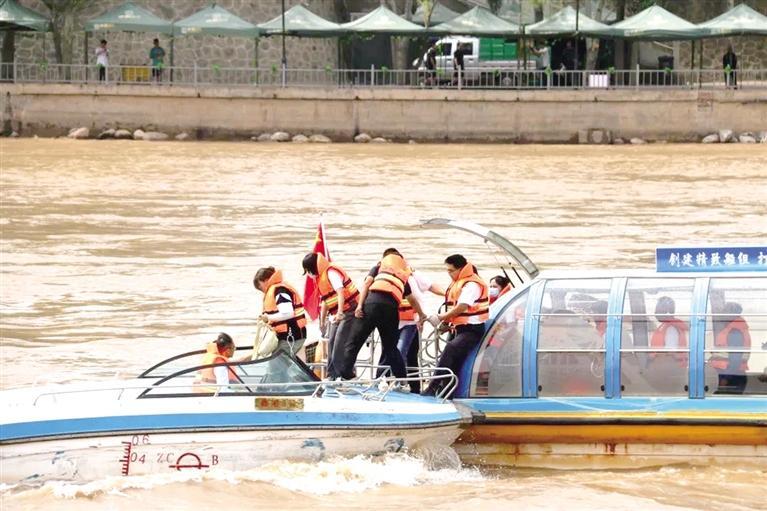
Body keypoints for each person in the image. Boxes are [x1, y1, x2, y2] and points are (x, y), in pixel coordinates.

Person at [355, 248, 442, 392]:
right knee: (392, 352)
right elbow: (367, 288)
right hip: (391, 319)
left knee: (402, 352)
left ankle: (408, 387)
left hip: (410, 321)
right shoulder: (378, 272)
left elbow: (430, 287)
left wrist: (446, 295)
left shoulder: (410, 273)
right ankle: (384, 382)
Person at [337, 249, 425, 381]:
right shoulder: (402, 276)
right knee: (391, 348)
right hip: (390, 309)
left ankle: (346, 375)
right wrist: (422, 315)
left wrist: (360, 305)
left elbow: (367, 284)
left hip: (371, 305)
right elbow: (412, 300)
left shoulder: (378, 268)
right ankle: (402, 380)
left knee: (354, 342)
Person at [422, 254, 489, 396]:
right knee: (452, 360)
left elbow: (462, 307)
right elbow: (453, 307)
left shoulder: (471, 284)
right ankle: (446, 393)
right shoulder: (459, 282)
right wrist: (446, 323)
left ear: (461, 269)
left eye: (451, 271)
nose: (449, 274)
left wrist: (440, 317)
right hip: (458, 328)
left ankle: (432, 387)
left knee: (450, 349)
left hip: (472, 330)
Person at [302, 252, 359, 376]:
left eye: (307, 271)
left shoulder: (330, 273)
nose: (308, 274)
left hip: (349, 311)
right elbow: (326, 301)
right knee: (331, 343)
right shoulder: (320, 278)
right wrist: (322, 322)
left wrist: (339, 312)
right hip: (338, 314)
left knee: (339, 344)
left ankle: (341, 376)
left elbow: (340, 293)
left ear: (312, 268)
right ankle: (331, 375)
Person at [253, 266, 307, 358]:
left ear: (266, 280)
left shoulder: (280, 291)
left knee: (275, 368)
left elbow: (288, 313)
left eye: (260, 286)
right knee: (283, 365)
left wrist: (268, 317)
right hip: (285, 336)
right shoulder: (276, 290)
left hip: (291, 336)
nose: (261, 290)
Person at [710, 302, 751, 393]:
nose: (723, 314)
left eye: (725, 311)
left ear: (732, 313)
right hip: (731, 374)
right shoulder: (735, 328)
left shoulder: (735, 331)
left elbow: (735, 358)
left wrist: (726, 379)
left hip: (730, 376)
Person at [650, 296, 689, 366]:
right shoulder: (666, 326)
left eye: (658, 310)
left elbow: (670, 354)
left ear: (667, 311)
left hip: (668, 368)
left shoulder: (671, 329)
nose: (655, 313)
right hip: (665, 366)